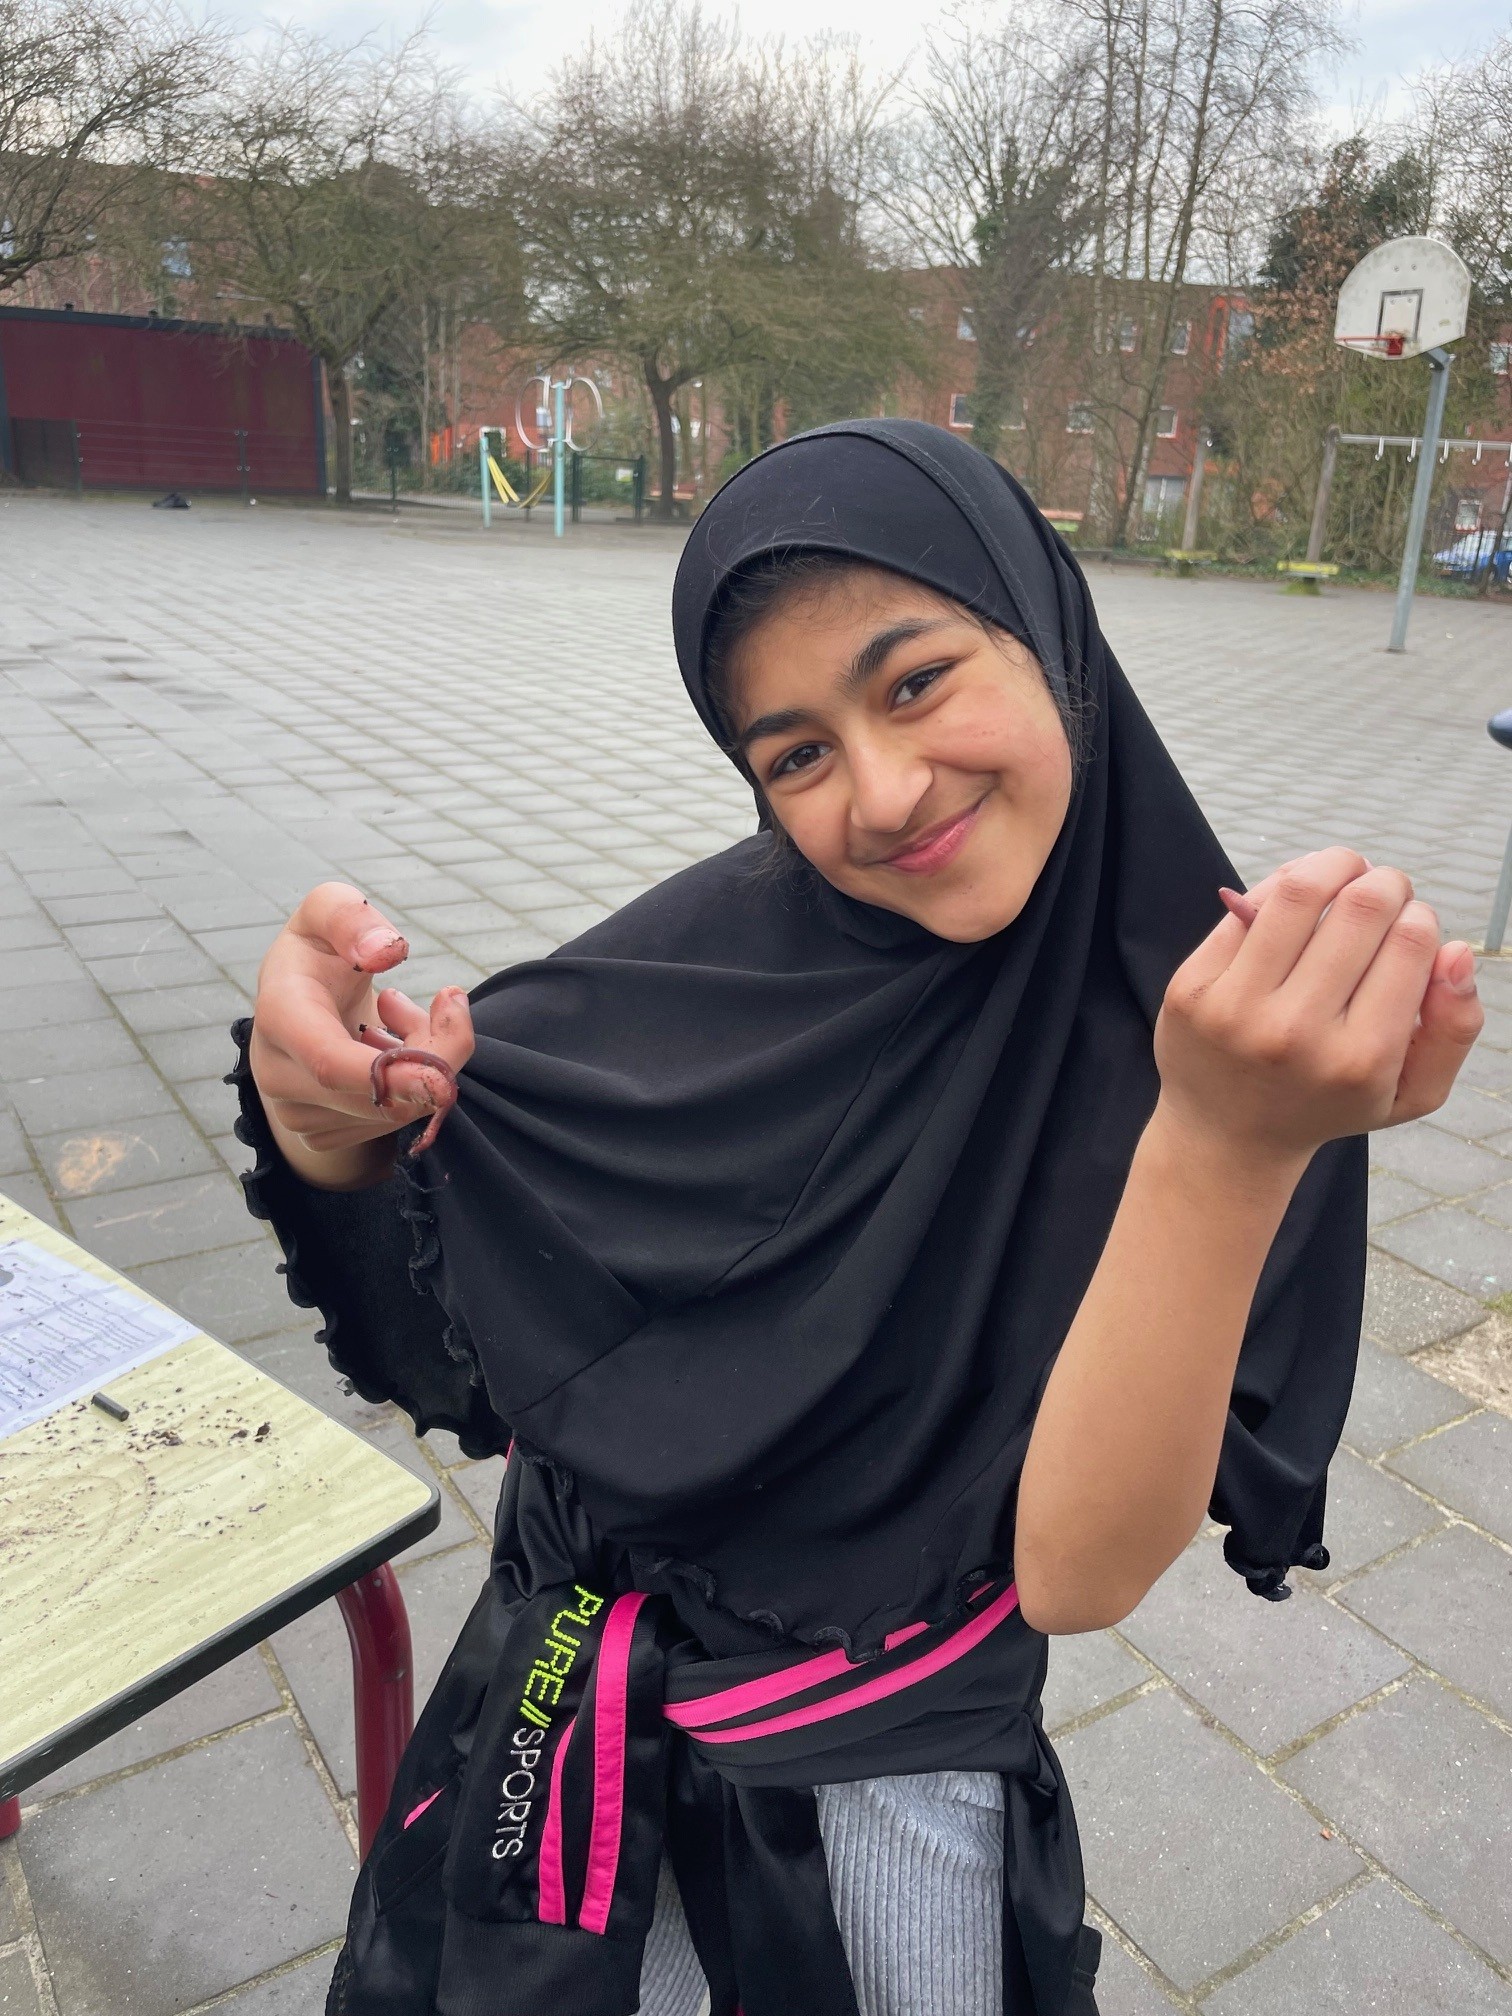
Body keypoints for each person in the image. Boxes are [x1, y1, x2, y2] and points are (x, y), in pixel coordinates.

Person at [231, 420, 1482, 2016]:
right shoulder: (682, 975)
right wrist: (329, 1118)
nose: (884, 794)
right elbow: (463, 1330)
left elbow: (1080, 1573)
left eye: (917, 681)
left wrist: (1229, 1147)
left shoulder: (1238, 1045)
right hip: (555, 1732)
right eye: (796, 754)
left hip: (877, 1810)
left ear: (1050, 638)